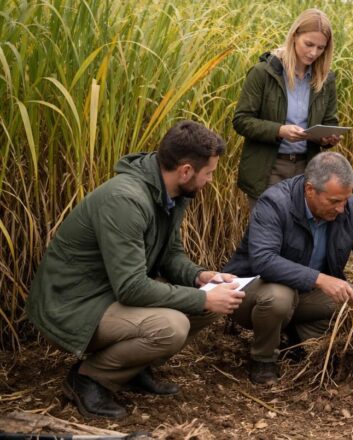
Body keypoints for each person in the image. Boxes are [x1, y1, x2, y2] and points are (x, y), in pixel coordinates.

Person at [26, 121, 245, 419]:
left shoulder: (170, 193)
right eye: (209, 173)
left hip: (107, 295)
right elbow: (131, 288)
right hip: (73, 305)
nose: (210, 180)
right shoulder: (126, 201)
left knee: (206, 303)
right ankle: (88, 379)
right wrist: (203, 298)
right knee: (172, 327)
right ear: (185, 171)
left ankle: (131, 369)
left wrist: (201, 277)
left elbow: (171, 256)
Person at [223, 152, 353, 384]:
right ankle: (263, 359)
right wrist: (320, 279)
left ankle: (298, 341)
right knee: (279, 297)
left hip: (305, 292)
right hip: (252, 292)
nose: (341, 208)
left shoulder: (350, 207)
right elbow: (264, 260)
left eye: (345, 199)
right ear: (310, 190)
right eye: (334, 201)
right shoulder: (275, 203)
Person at [233, 8, 341, 209]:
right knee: (268, 236)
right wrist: (279, 131)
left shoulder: (327, 80)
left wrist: (327, 137)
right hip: (268, 169)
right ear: (294, 36)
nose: (313, 53)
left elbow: (330, 122)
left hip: (307, 169)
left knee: (300, 236)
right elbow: (241, 120)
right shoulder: (263, 73)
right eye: (308, 44)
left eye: (321, 48)